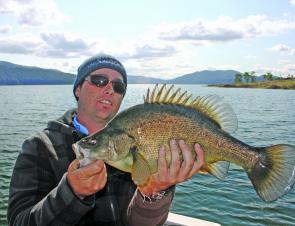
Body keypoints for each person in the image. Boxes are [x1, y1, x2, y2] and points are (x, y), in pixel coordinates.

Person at [7, 54, 205, 226]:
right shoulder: (40, 146)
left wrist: (154, 192)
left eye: (119, 86)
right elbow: (19, 221)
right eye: (99, 80)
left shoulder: (140, 145)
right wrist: (71, 192)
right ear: (78, 89)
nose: (110, 89)